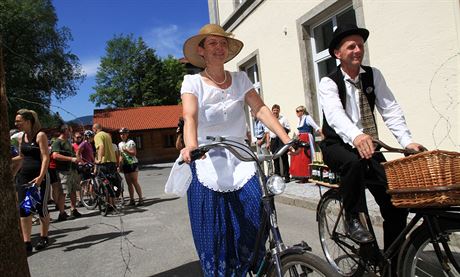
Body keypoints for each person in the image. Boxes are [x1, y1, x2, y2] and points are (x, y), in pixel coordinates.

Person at [175, 23, 291, 276]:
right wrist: (191, 146)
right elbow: (190, 116)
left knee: (254, 215)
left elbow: (259, 109)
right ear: (202, 50)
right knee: (215, 231)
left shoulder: (240, 79)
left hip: (241, 158)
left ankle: (254, 266)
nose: (219, 48)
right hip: (206, 156)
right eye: (213, 43)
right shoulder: (192, 82)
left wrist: (286, 138)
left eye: (223, 43)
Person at [318, 24, 425, 249]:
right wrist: (356, 135)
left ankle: (393, 262)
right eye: (351, 46)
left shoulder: (373, 75)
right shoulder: (329, 82)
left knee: (395, 204)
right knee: (353, 164)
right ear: (338, 54)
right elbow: (335, 115)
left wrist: (406, 141)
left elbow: (390, 109)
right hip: (338, 144)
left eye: (360, 45)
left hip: (368, 146)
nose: (358, 50)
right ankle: (352, 218)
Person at [12, 109, 50, 252]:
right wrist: (12, 168)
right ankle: (27, 242)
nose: (16, 124)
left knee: (41, 209)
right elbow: (21, 157)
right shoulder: (21, 137)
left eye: (19, 121)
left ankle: (44, 237)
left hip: (39, 178)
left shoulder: (40, 136)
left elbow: (46, 157)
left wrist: (40, 178)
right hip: (24, 178)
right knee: (24, 209)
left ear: (28, 122)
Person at [51, 124, 82, 221]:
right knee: (63, 192)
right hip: (63, 171)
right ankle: (62, 213)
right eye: (70, 130)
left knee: (73, 190)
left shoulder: (67, 142)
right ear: (65, 131)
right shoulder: (57, 142)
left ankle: (73, 209)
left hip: (71, 170)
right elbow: (55, 155)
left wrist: (77, 158)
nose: (71, 132)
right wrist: (71, 159)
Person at [92, 123, 121, 210]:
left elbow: (101, 146)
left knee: (105, 183)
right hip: (112, 162)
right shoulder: (107, 135)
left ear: (94, 129)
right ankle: (113, 204)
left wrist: (99, 159)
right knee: (111, 183)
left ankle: (108, 205)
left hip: (104, 163)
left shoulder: (97, 136)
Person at [289, 106, 321, 181]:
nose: (297, 113)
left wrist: (321, 134)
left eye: (298, 111)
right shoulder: (299, 120)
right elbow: (299, 131)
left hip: (306, 138)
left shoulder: (307, 118)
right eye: (296, 111)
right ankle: (301, 175)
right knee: (299, 157)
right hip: (300, 139)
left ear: (302, 111)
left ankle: (308, 174)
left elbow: (316, 127)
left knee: (306, 156)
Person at [118, 128, 143, 206]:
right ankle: (132, 200)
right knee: (129, 183)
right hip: (125, 164)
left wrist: (126, 151)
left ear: (127, 134)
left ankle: (140, 199)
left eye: (124, 134)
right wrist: (119, 165)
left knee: (134, 181)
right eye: (121, 134)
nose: (123, 135)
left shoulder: (131, 142)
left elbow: (134, 153)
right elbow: (121, 155)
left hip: (133, 163)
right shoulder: (120, 144)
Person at [267, 104, 291, 182]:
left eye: (277, 110)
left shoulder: (283, 119)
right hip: (273, 141)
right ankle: (278, 177)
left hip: (281, 140)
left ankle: (287, 177)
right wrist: (268, 142)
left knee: (284, 158)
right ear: (272, 111)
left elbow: (288, 129)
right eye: (274, 110)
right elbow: (268, 132)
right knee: (275, 160)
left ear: (279, 111)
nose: (275, 112)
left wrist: (280, 128)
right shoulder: (269, 119)